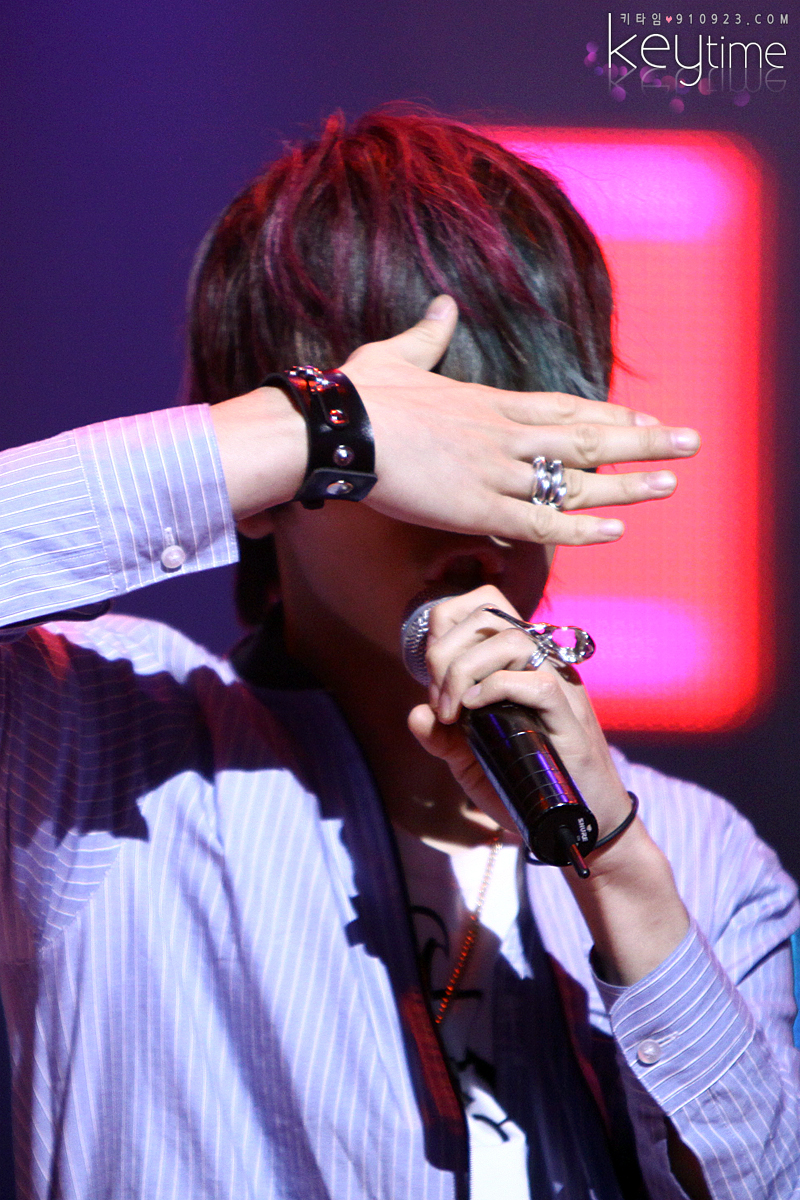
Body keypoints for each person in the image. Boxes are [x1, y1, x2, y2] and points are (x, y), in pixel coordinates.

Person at [0, 110, 795, 1200]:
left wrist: (616, 870)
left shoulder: (700, 854)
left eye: (523, 444)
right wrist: (318, 429)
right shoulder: (106, 753)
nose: (475, 500)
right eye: (429, 442)